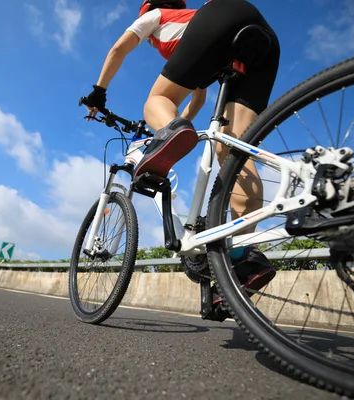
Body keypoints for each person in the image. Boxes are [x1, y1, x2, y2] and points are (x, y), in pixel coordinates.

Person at [82, 0, 280, 321]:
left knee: (156, 101)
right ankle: (245, 256)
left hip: (220, 16)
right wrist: (179, 127)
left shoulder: (156, 16)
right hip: (261, 35)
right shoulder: (191, 34)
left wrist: (99, 92)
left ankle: (169, 130)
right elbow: (199, 98)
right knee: (232, 150)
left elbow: (118, 49)